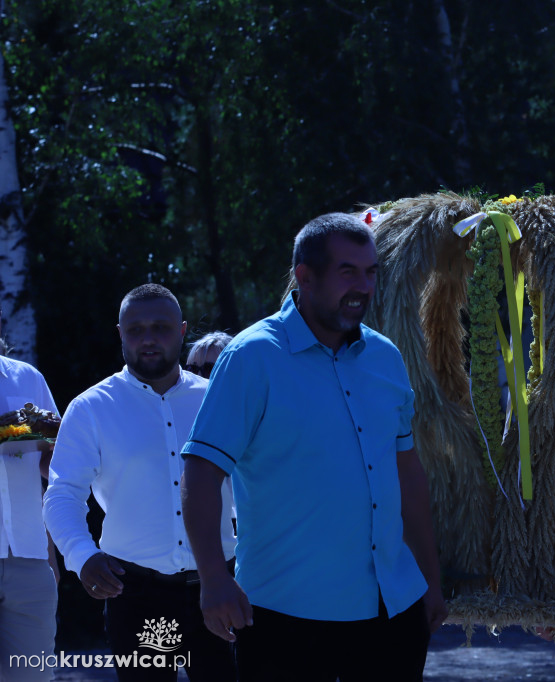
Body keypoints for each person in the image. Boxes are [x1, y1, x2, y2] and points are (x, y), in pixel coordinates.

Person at [180, 212, 447, 681]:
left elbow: (407, 476)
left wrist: (429, 578)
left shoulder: (386, 357)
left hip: (394, 609)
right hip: (285, 618)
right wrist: (214, 579)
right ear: (304, 276)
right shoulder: (250, 358)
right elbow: (201, 472)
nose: (363, 287)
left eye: (370, 272)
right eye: (348, 272)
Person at [43, 284, 236, 682]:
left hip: (219, 582)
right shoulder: (91, 408)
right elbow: (63, 493)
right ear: (120, 333)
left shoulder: (218, 399)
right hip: (137, 596)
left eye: (161, 327)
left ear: (182, 331)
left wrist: (249, 558)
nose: (148, 338)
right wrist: (82, 555)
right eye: (136, 329)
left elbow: (253, 487)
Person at [0, 307, 61, 681]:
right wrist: (16, 429)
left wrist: (50, 551)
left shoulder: (27, 377)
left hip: (29, 557)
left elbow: (53, 464)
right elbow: (17, 430)